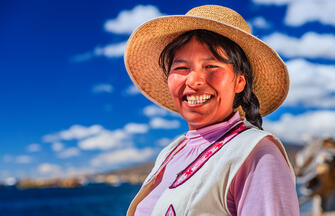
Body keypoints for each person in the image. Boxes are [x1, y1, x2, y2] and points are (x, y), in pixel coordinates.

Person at [124, 5, 299, 216]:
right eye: (181, 68)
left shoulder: (258, 154)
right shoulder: (170, 153)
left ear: (239, 82)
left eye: (211, 67)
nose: (194, 80)